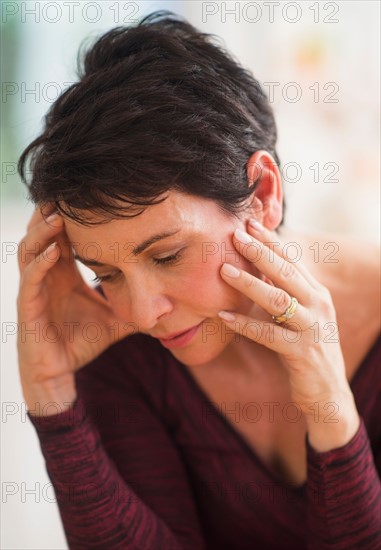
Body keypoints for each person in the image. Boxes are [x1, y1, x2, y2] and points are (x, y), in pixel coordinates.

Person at [16, 10, 380, 550]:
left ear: (261, 194)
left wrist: (331, 411)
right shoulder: (120, 342)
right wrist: (50, 398)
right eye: (107, 273)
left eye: (166, 256)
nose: (141, 312)